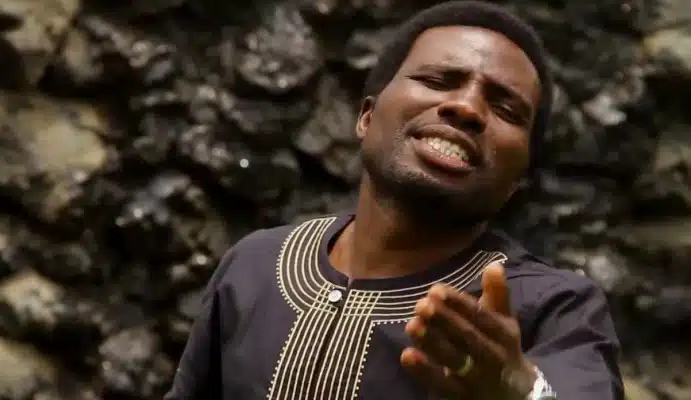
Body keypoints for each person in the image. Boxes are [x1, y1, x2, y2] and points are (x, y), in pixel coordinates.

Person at [163, 1, 624, 399]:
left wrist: (523, 392)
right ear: (367, 116)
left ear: (518, 180)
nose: (466, 108)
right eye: (439, 80)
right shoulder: (255, 265)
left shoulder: (555, 308)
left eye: (505, 109)